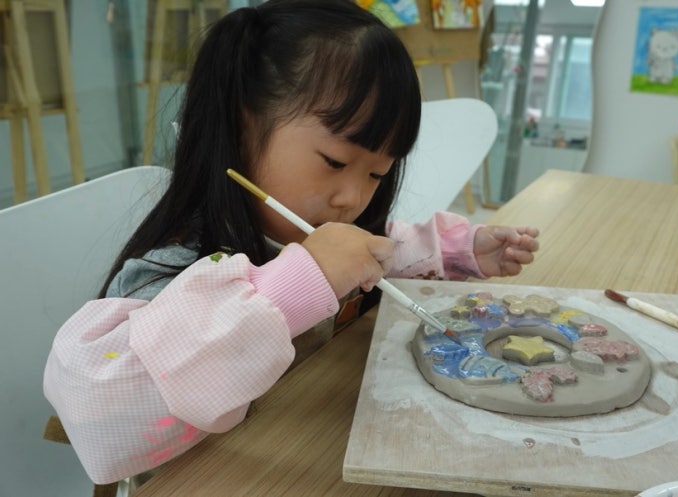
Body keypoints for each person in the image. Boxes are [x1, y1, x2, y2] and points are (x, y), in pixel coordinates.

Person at [43, 0, 539, 485]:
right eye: (334, 162)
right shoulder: (172, 266)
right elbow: (95, 410)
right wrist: (285, 294)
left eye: (377, 174)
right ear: (241, 128)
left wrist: (457, 251)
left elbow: (380, 250)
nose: (352, 198)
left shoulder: (299, 230)